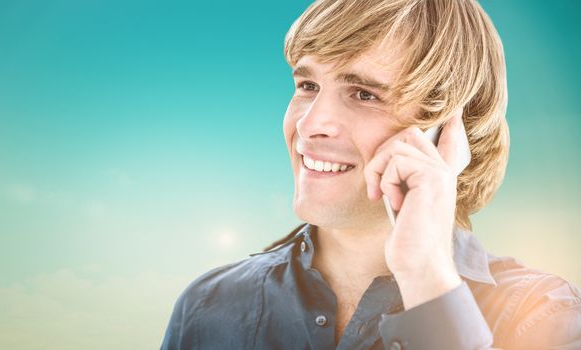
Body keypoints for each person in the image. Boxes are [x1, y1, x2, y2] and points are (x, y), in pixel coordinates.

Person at [160, 0, 581, 349]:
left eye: (364, 94)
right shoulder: (208, 309)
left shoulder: (543, 315)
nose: (310, 125)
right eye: (307, 85)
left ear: (448, 132)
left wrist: (425, 275)